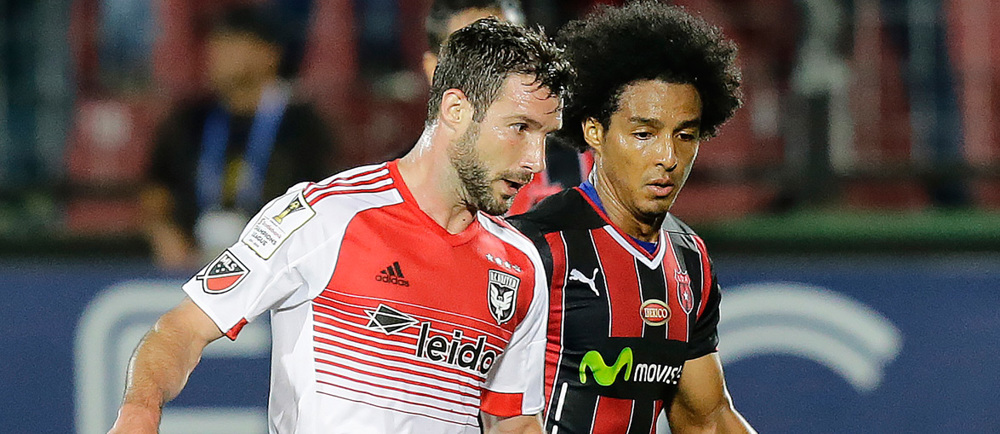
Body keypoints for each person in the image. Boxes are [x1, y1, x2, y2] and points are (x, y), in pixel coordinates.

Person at [109, 18, 571, 434]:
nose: (536, 161)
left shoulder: (521, 265)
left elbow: (513, 420)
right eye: (520, 128)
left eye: (545, 136)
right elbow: (182, 329)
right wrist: (139, 413)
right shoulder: (325, 215)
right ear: (455, 109)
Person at [507, 3, 754, 433]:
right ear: (594, 132)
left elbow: (707, 420)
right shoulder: (534, 249)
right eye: (644, 134)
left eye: (685, 135)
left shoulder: (690, 260)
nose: (668, 157)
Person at [143, 6, 338, 270]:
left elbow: (320, 199)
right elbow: (157, 190)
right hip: (193, 263)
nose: (216, 54)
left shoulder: (302, 126)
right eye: (214, 44)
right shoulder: (190, 120)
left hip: (275, 265)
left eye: (231, 43)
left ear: (268, 54)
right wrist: (164, 233)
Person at [423, 0, 581, 214]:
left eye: (514, 55)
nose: (502, 72)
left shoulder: (582, 168)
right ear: (434, 69)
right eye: (478, 57)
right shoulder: (382, 203)